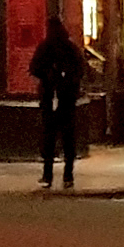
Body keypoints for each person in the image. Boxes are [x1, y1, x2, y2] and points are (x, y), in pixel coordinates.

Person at [31, 17, 87, 187]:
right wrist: (70, 83)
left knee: (49, 136)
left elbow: (34, 68)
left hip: (49, 99)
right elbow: (80, 69)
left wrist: (47, 78)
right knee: (68, 137)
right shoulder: (70, 48)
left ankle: (47, 175)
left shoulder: (45, 47)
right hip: (67, 99)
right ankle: (68, 175)